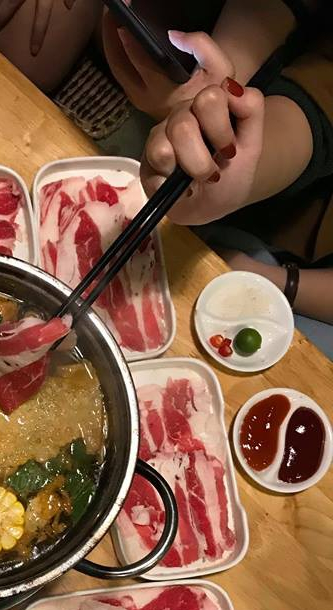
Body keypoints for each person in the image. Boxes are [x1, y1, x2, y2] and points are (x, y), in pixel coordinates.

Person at [105, 0, 333, 352]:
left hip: (289, 249)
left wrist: (241, 164)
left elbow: (315, 116)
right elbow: (271, 11)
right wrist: (209, 94)